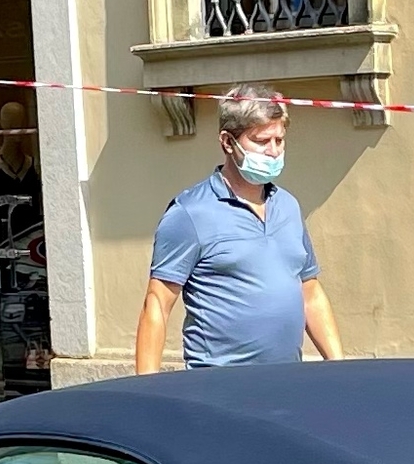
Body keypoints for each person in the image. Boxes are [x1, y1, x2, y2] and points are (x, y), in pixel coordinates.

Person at [135, 84, 342, 372]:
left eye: (279, 140)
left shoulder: (289, 206)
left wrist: (339, 367)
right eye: (261, 141)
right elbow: (157, 303)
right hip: (221, 386)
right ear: (228, 142)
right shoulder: (191, 213)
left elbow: (310, 292)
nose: (273, 152)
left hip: (288, 381)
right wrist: (146, 392)